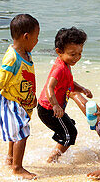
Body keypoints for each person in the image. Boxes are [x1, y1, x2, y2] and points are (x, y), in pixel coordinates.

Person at [0, 14, 40, 180]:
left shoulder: (26, 53)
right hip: (12, 102)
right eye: (36, 38)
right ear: (26, 36)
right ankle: (17, 168)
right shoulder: (12, 58)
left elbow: (26, 77)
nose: (37, 41)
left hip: (22, 102)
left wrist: (32, 97)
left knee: (17, 130)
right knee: (22, 133)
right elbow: (1, 81)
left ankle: (10, 157)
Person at [37, 27, 93, 163]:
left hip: (51, 108)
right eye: (72, 54)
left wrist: (82, 89)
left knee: (68, 127)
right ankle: (53, 159)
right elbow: (50, 86)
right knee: (70, 133)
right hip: (49, 109)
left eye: (80, 53)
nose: (77, 58)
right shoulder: (60, 68)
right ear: (59, 52)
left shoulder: (66, 64)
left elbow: (69, 82)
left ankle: (56, 151)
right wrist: (55, 105)